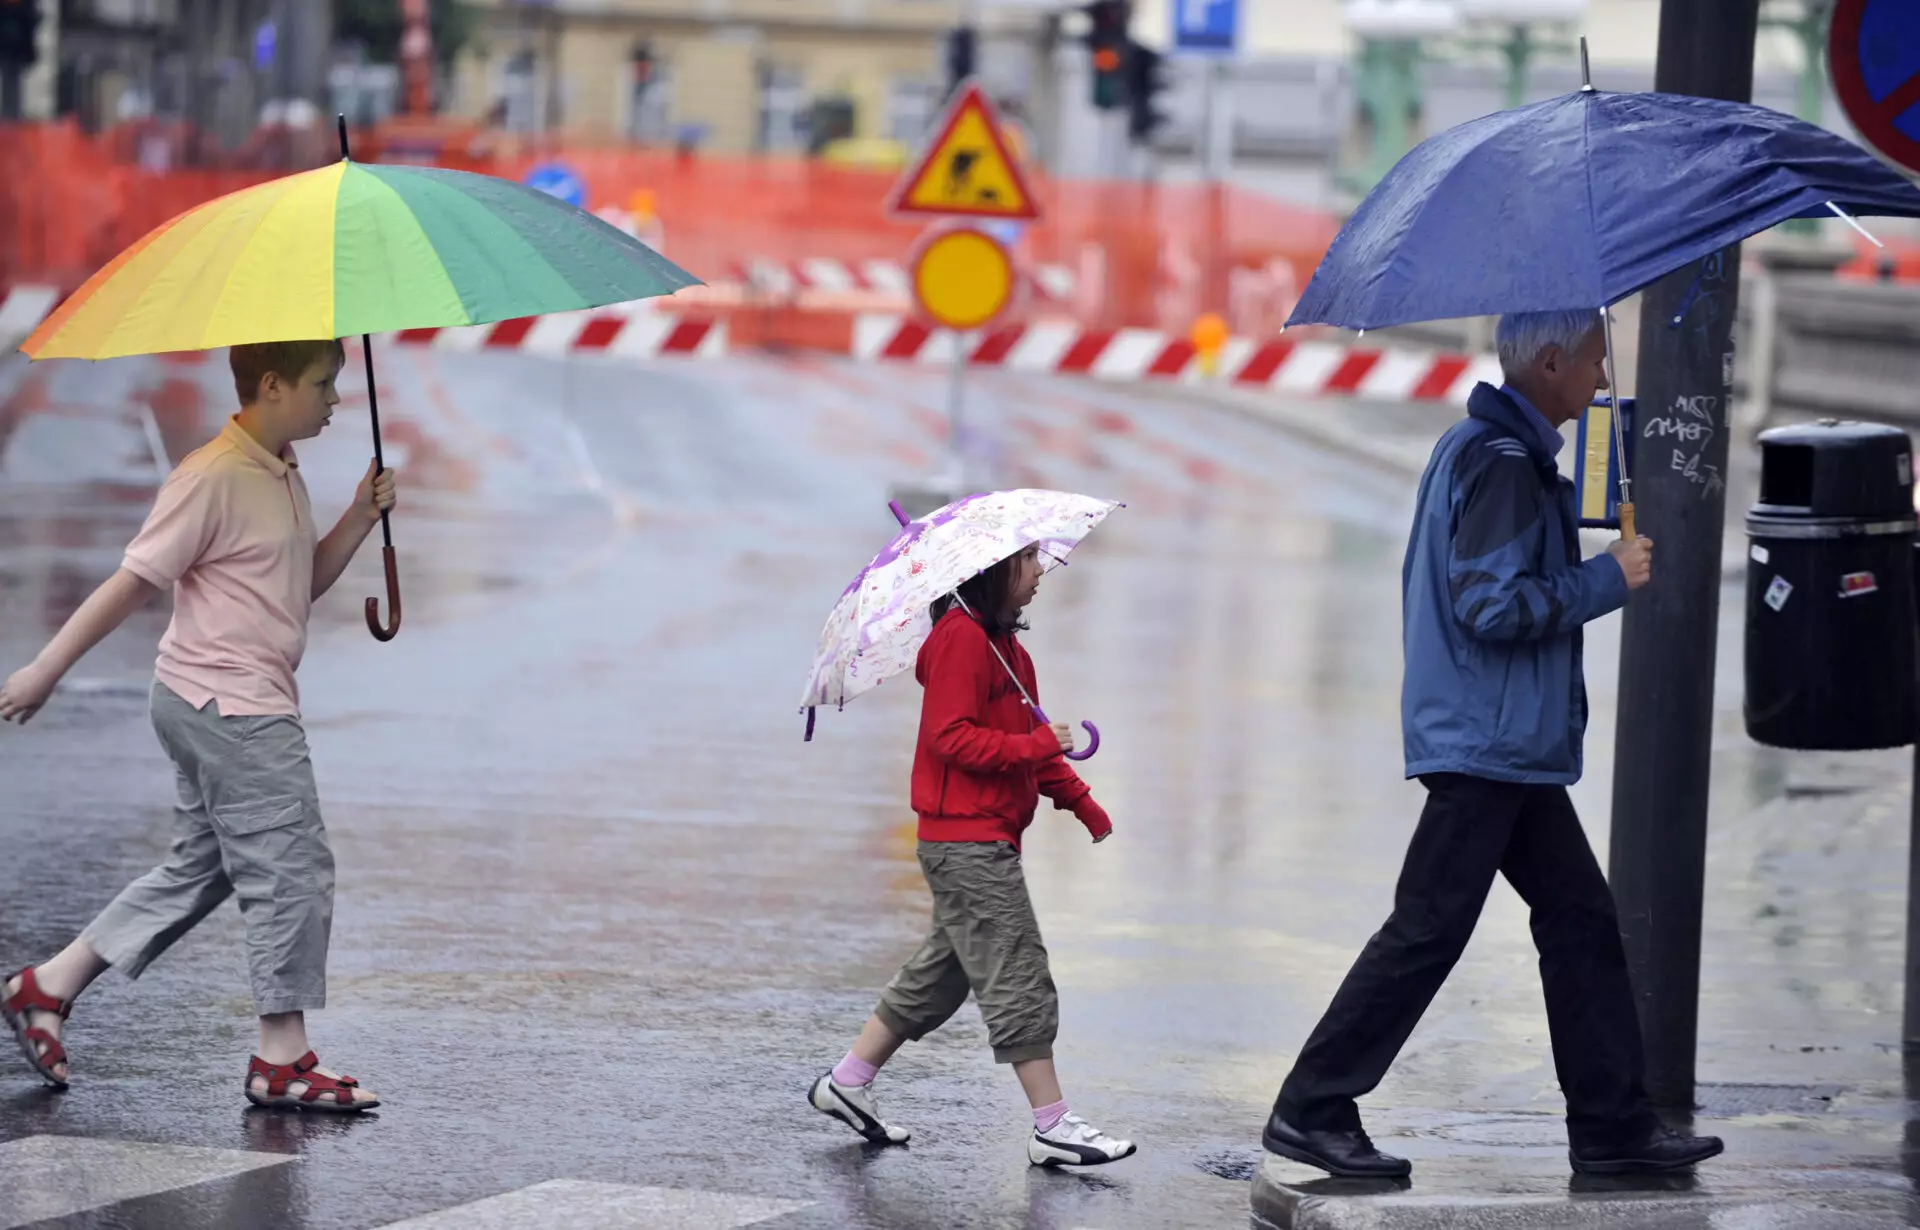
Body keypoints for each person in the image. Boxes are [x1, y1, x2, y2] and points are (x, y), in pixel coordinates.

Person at [1261, 309, 1724, 1178]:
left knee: (1579, 919)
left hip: (1499, 740)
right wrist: (1605, 578)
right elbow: (1491, 606)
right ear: (1548, 362)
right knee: (1430, 926)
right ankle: (1313, 1106)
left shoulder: (1483, 449)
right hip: (1488, 740)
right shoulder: (1506, 465)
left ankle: (1612, 1128)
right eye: (1590, 360)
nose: (1596, 379)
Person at [0, 339, 397, 1112]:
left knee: (203, 866)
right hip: (231, 708)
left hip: (217, 701)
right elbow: (132, 581)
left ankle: (44, 987)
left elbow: (293, 586)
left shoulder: (279, 469)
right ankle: (281, 1055)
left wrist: (359, 515)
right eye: (324, 384)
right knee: (291, 868)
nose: (336, 400)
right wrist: (45, 670)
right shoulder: (212, 475)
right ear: (273, 385)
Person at [808, 544, 1137, 1168]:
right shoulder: (960, 640)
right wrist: (1036, 741)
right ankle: (1053, 1124)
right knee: (1015, 965)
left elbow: (1031, 753)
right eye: (1031, 561)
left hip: (980, 838)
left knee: (943, 974)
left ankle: (846, 1083)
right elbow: (951, 738)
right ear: (992, 571)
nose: (1042, 572)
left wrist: (1082, 803)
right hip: (964, 839)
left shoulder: (1009, 651)